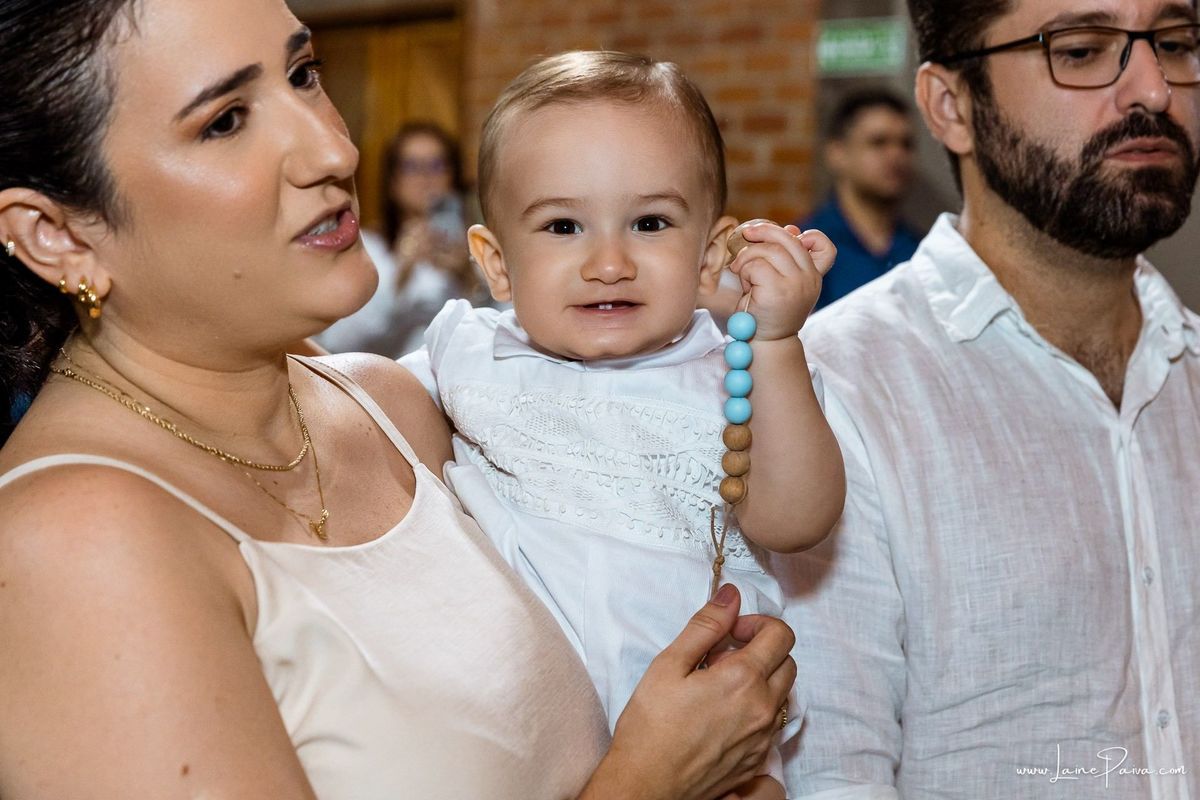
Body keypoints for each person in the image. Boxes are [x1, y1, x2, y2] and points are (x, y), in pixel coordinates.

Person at [0, 2, 799, 798]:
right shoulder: (70, 546)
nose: (335, 149)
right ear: (56, 234)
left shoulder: (397, 403)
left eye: (305, 75)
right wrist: (653, 780)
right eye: (227, 120)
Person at [400, 51, 846, 800]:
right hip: (523, 747)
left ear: (710, 254)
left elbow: (798, 519)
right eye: (564, 224)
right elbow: (322, 405)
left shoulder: (734, 370)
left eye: (649, 222)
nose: (610, 261)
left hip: (710, 738)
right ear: (497, 263)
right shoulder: (465, 352)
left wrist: (774, 343)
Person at [784, 0, 1200, 797]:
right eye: (1081, 50)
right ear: (952, 106)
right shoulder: (835, 394)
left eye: (1176, 42)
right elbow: (834, 775)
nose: (1153, 89)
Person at [316, 121, 489, 357]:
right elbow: (337, 342)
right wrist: (400, 276)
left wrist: (468, 276)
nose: (426, 178)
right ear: (393, 181)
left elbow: (501, 329)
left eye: (437, 165)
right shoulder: (366, 247)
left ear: (453, 175)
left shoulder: (478, 245)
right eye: (411, 166)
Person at [796, 88, 921, 310]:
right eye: (878, 142)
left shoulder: (921, 249)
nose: (896, 155)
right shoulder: (804, 248)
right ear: (837, 153)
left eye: (906, 144)